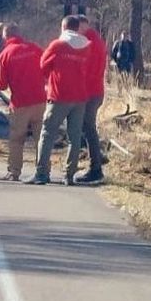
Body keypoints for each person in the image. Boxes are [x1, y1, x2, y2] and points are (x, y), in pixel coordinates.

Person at [27, 14, 91, 185]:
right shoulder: (87, 46)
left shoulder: (57, 45)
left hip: (59, 95)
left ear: (63, 27)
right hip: (80, 97)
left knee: (47, 134)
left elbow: (43, 65)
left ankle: (42, 173)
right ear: (78, 28)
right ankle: (69, 175)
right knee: (74, 137)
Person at [0, 23, 46, 181]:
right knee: (41, 138)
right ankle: (43, 170)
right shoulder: (35, 48)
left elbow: (0, 84)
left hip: (20, 103)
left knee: (17, 139)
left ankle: (14, 171)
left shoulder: (5, 54)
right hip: (40, 100)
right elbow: (47, 68)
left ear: (5, 36)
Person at [76, 15, 107, 185]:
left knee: (88, 127)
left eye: (77, 27)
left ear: (84, 26)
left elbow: (87, 70)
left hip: (90, 92)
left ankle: (96, 168)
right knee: (85, 127)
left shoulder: (89, 43)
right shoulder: (95, 41)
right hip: (94, 91)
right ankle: (97, 157)